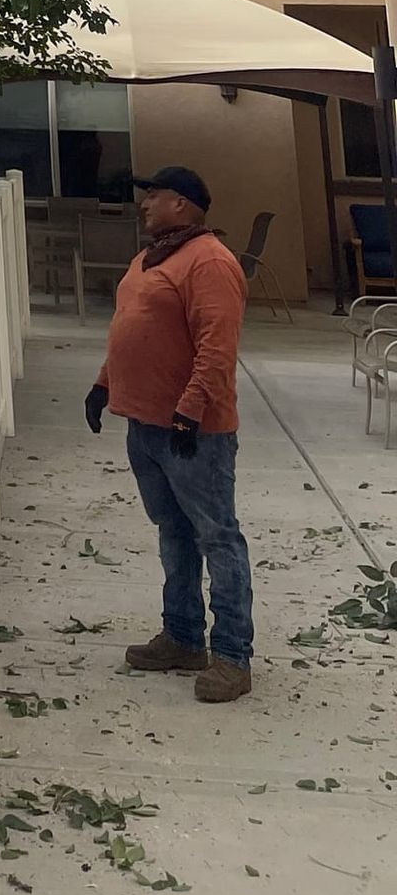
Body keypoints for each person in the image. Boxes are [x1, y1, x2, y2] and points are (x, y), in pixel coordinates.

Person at [83, 165, 253, 704]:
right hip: (145, 424)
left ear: (182, 204)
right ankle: (183, 636)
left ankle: (232, 655)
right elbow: (130, 326)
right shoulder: (150, 257)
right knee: (173, 532)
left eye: (153, 195)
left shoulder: (210, 263)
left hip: (192, 433)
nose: (144, 204)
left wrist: (189, 411)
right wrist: (103, 384)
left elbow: (217, 347)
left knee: (216, 536)